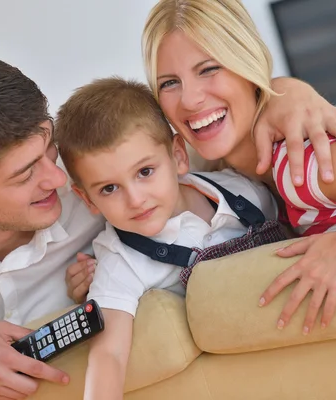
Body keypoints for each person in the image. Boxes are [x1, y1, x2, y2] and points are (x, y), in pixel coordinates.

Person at [0, 43, 336, 399]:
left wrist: (285, 93)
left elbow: (189, 116)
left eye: (48, 147)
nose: (58, 180)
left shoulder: (93, 166)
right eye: (25, 176)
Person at [140, 0, 336, 336]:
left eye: (208, 69)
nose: (190, 99)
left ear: (247, 65)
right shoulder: (230, 179)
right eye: (169, 83)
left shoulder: (306, 166)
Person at [55, 76, 290, 400]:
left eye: (145, 172)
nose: (135, 199)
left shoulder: (242, 190)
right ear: (88, 199)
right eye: (109, 188)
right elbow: (109, 354)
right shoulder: (119, 259)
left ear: (178, 156)